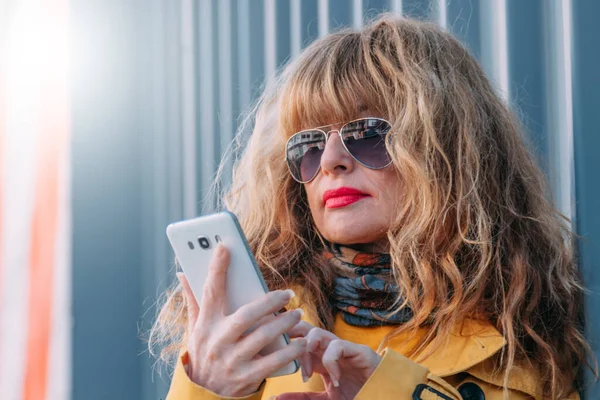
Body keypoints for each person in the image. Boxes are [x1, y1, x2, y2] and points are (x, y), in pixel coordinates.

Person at [149, 15, 596, 399]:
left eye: (367, 135)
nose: (329, 162)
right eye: (308, 145)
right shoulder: (257, 335)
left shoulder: (526, 340)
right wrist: (206, 387)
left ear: (448, 152)